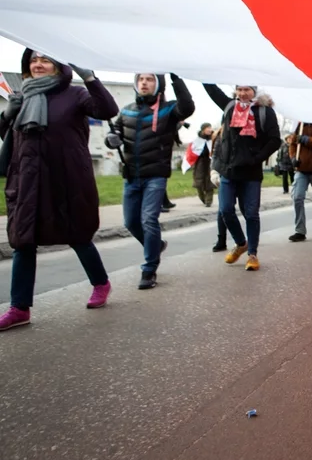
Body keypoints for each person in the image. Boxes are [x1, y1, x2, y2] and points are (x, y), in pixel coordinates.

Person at [0, 50, 120, 331]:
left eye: (46, 60)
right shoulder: (22, 96)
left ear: (59, 67)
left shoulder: (75, 95)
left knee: (78, 235)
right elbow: (9, 135)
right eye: (33, 60)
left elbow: (107, 110)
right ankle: (19, 308)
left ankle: (101, 283)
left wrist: (90, 77)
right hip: (28, 181)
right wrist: (8, 112)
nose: (38, 64)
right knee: (23, 241)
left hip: (67, 179)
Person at [106, 73, 194, 289]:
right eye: (141, 79)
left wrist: (175, 78)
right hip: (131, 176)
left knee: (148, 220)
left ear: (158, 84)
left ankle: (149, 270)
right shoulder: (126, 110)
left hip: (155, 176)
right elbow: (114, 132)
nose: (144, 83)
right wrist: (111, 139)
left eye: (150, 79)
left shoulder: (168, 110)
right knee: (130, 222)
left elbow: (188, 107)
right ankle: (156, 245)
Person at [204, 84, 281, 271]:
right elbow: (213, 91)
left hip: (251, 172)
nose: (242, 93)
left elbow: (275, 140)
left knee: (251, 214)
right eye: (239, 89)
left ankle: (252, 254)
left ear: (255, 91)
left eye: (247, 89)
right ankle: (241, 243)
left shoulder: (265, 112)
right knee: (226, 210)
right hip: (229, 171)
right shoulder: (230, 106)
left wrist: (256, 158)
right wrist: (202, 75)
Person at [191, 123, 215, 207]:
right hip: (200, 164)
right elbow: (193, 152)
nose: (209, 129)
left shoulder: (213, 138)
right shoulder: (197, 140)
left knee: (210, 182)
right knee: (199, 183)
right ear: (203, 129)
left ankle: (209, 201)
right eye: (207, 128)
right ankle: (203, 198)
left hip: (210, 163)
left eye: (210, 127)